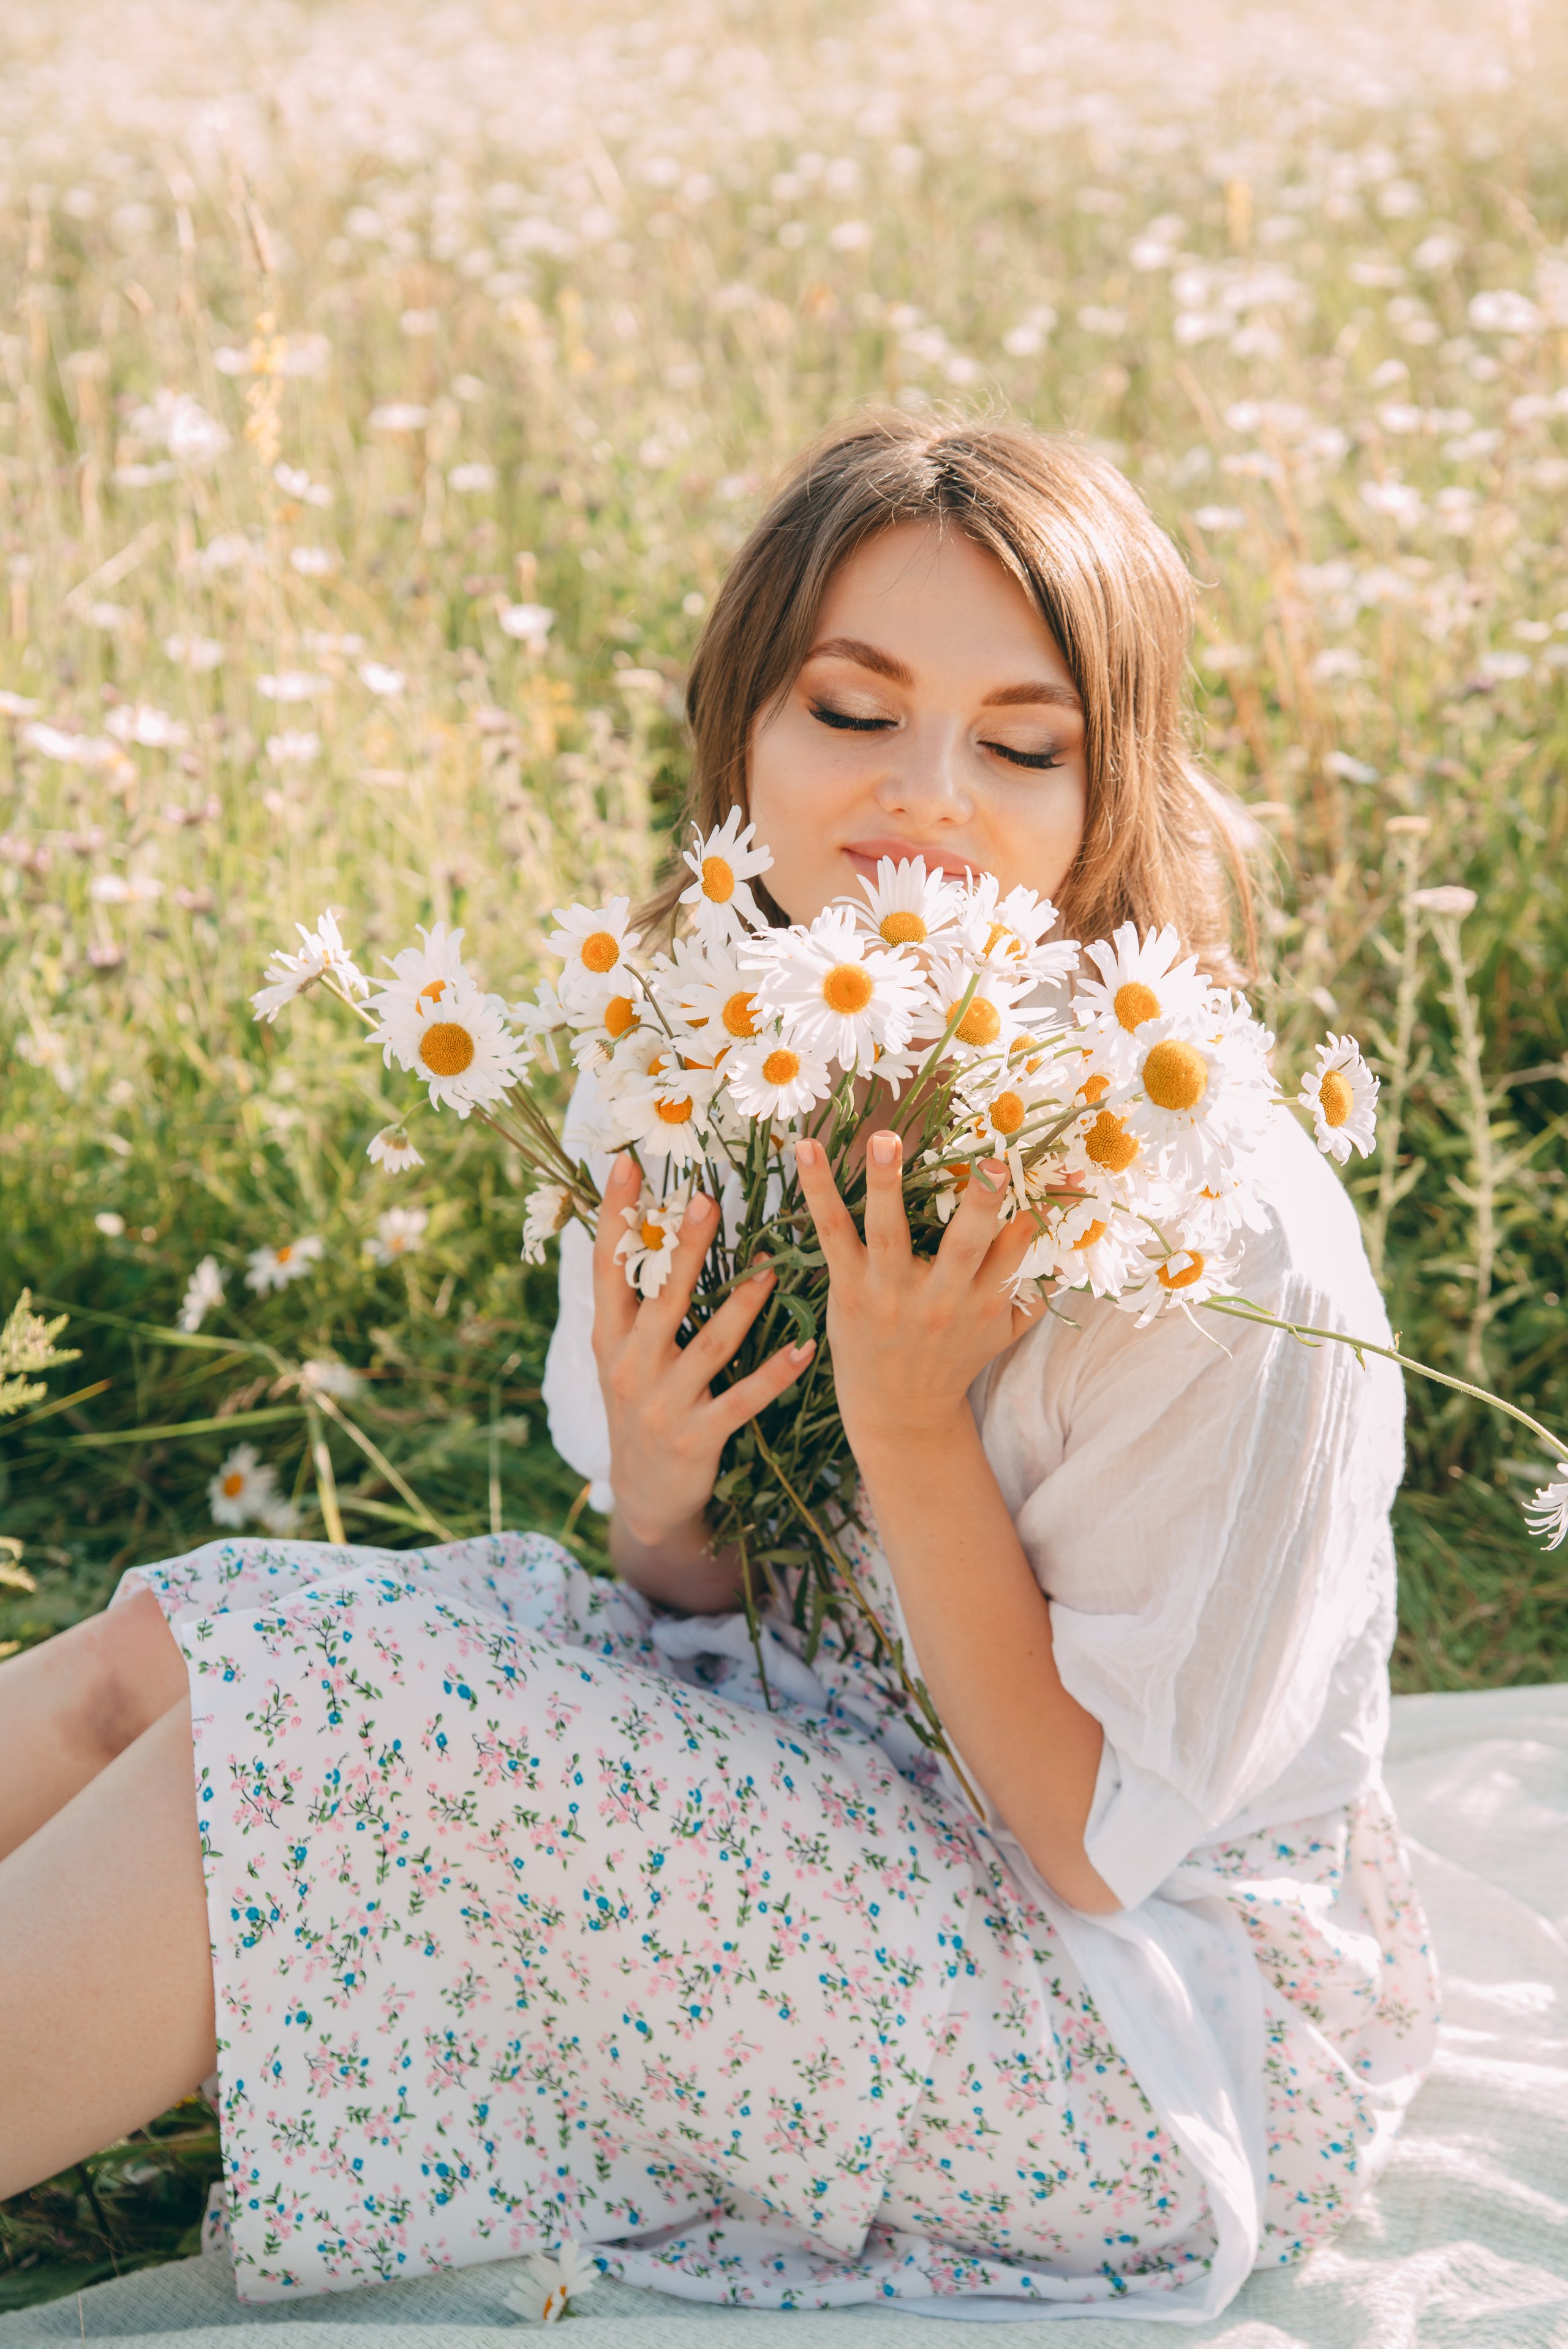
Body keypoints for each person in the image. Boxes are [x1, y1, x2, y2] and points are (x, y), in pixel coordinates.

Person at [0, 415, 1436, 2322]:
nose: (927, 798)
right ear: (743, 734)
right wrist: (670, 1489)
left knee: (337, 1743)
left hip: (1125, 2028)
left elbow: (1096, 1844)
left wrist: (913, 1422)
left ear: (1110, 805)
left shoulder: (1207, 1218)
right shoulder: (716, 1056)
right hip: (824, 1783)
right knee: (172, 1653)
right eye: (854, 711)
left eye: (1023, 744)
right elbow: (708, 1606)